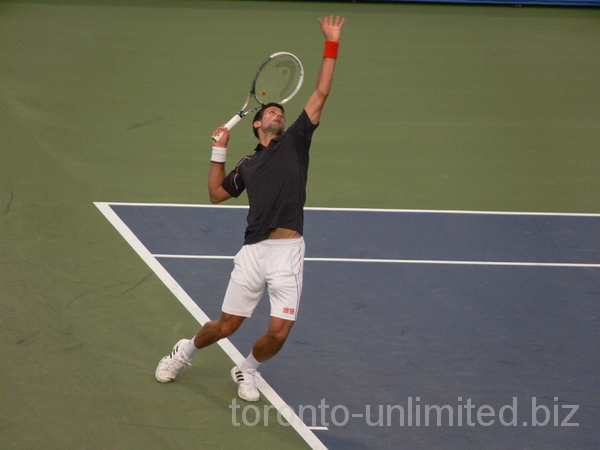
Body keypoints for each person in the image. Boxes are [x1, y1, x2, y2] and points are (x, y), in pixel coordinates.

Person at [155, 15, 346, 402]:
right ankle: (184, 350)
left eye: (281, 112)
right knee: (226, 326)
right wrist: (218, 150)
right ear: (257, 123)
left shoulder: (296, 142)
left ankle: (248, 368)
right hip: (254, 253)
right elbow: (216, 194)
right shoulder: (246, 164)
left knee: (279, 332)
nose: (278, 113)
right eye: (271, 112)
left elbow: (321, 91)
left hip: (287, 252)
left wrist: (332, 43)